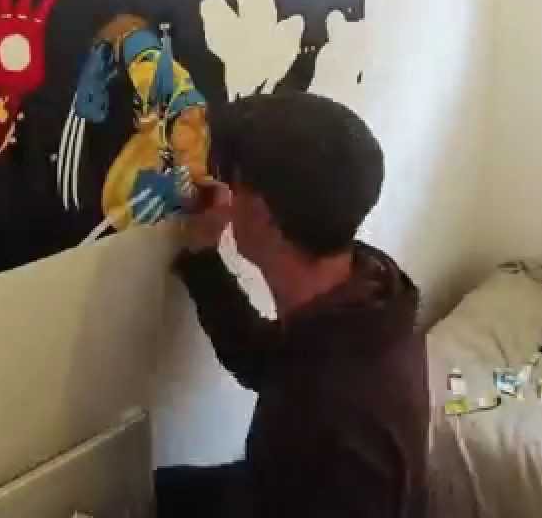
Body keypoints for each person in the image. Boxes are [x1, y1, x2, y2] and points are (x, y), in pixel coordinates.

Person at [156, 91, 429, 518]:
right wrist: (204, 258)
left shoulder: (330, 408)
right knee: (149, 489)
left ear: (262, 214)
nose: (224, 195)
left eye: (234, 184)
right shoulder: (370, 305)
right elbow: (270, 361)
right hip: (282, 486)